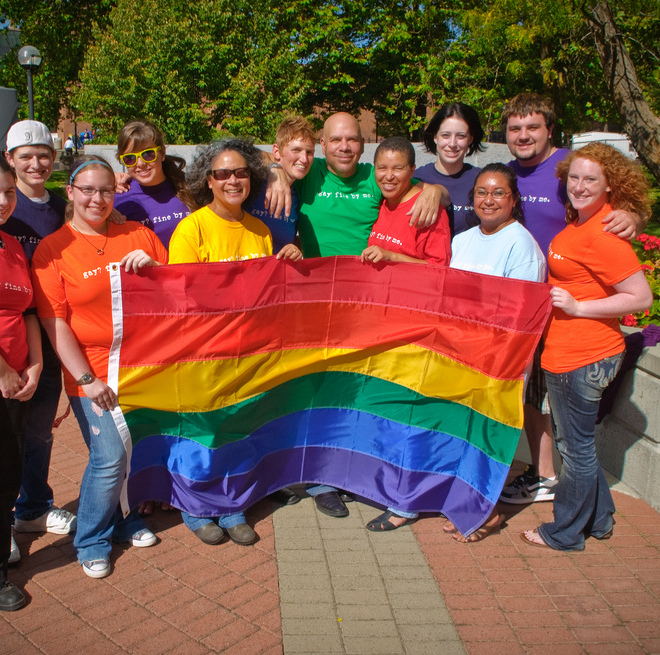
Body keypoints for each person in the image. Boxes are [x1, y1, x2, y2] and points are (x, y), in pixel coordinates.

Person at [273, 112, 447, 519]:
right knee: (315, 390)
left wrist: (435, 189)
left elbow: (411, 185)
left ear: (362, 144)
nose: (345, 147)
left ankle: (347, 472)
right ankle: (318, 479)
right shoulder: (309, 171)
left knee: (355, 392)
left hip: (366, 307)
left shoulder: (373, 176)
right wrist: (275, 175)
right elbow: (270, 159)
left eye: (352, 139)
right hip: (313, 303)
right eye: (336, 140)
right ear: (324, 144)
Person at [498, 93, 644, 506]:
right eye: (515, 128)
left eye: (532, 127)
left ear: (550, 131)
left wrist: (631, 217)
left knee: (549, 401)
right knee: (529, 393)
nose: (523, 135)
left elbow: (620, 200)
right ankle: (542, 472)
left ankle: (550, 479)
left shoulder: (569, 169)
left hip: (566, 307)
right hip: (524, 304)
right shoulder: (507, 173)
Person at [32, 156, 168, 579]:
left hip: (140, 367)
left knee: (130, 451)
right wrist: (86, 380)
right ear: (69, 192)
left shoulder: (138, 235)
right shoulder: (53, 249)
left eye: (106, 190)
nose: (97, 198)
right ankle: (91, 539)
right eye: (87, 189)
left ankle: (124, 520)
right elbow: (54, 321)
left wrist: (155, 270)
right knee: (108, 457)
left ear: (116, 192)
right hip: (92, 371)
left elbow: (177, 288)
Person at [169, 139, 301, 546]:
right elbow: (180, 297)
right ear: (207, 180)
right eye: (222, 173)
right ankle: (195, 508)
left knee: (237, 429)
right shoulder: (191, 228)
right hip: (204, 350)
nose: (232, 180)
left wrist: (286, 265)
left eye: (240, 172)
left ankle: (231, 505)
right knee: (201, 434)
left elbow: (261, 294)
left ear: (251, 179)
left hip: (246, 351)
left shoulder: (260, 230)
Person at [522, 144, 652, 551]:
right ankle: (600, 518)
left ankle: (564, 533)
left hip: (585, 356)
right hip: (566, 353)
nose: (578, 186)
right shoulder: (580, 224)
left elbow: (641, 297)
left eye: (590, 179)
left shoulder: (604, 235)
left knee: (573, 450)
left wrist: (579, 307)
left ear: (609, 184)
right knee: (574, 444)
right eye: (574, 178)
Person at [360, 137, 451, 531]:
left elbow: (441, 273)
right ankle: (390, 487)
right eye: (382, 168)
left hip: (417, 328)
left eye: (397, 168)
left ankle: (407, 504)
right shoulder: (383, 203)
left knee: (412, 416)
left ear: (413, 169)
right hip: (385, 326)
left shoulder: (428, 209)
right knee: (389, 413)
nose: (388, 175)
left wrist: (394, 257)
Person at [3, 121, 76, 562]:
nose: (36, 163)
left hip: (45, 338)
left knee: (37, 433)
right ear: (9, 160)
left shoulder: (63, 207)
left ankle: (31, 507)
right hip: (10, 344)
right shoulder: (6, 211)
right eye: (25, 155)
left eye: (43, 154)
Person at [0, 158, 42, 611]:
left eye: (9, 193)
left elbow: (27, 309)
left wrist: (33, 364)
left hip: (15, 381)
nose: (3, 201)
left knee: (8, 474)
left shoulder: (12, 244)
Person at [114, 120, 195, 248]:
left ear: (162, 153)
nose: (140, 163)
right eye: (130, 158)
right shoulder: (118, 201)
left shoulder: (191, 188)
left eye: (148, 154)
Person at [244, 116, 316, 253]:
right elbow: (235, 149)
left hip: (276, 273)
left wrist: (295, 250)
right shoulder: (253, 182)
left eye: (309, 152)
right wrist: (275, 167)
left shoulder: (297, 196)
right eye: (296, 150)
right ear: (276, 151)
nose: (304, 159)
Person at [415, 102, 485, 237]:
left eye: (461, 136)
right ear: (435, 137)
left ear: (470, 139)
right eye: (445, 135)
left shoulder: (481, 180)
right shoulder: (416, 178)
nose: (452, 144)